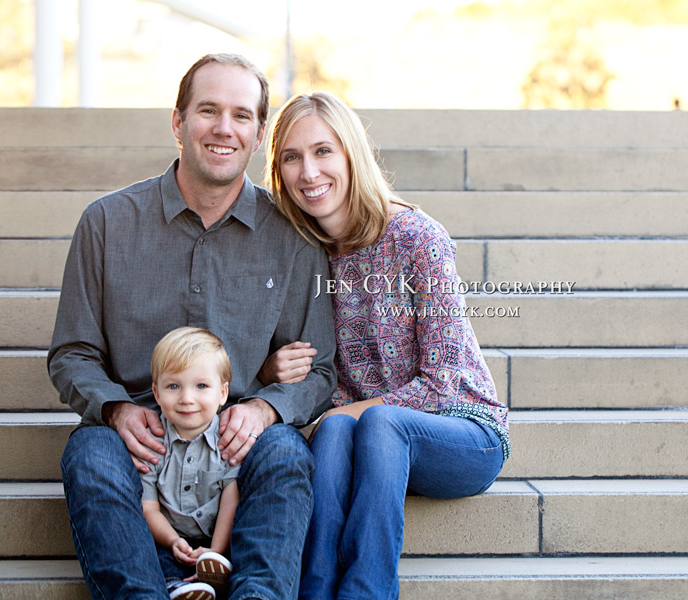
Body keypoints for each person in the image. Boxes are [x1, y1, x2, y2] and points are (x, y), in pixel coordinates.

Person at [49, 54, 337, 600]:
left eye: (242, 116)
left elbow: (319, 369)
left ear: (257, 138)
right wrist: (115, 407)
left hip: (236, 442)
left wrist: (265, 407)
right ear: (178, 123)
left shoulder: (294, 238)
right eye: (208, 110)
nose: (224, 128)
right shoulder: (107, 224)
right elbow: (72, 353)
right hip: (141, 446)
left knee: (286, 453)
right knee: (90, 452)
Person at [262, 91, 511, 600]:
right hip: (365, 438)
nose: (309, 172)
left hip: (463, 433)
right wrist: (270, 369)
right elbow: (313, 376)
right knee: (337, 433)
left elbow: (441, 384)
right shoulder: (306, 255)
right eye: (292, 156)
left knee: (367, 422)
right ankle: (314, 591)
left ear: (352, 153)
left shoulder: (418, 237)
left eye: (323, 151)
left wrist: (346, 414)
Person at [142, 327, 241, 600]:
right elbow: (148, 508)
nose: (187, 398)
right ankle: (177, 586)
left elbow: (230, 502)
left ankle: (217, 574)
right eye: (173, 386)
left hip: (216, 535)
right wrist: (173, 541)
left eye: (201, 386)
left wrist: (216, 550)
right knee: (151, 552)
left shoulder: (228, 440)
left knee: (240, 537)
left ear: (222, 393)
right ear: (156, 392)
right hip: (167, 536)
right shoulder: (151, 443)